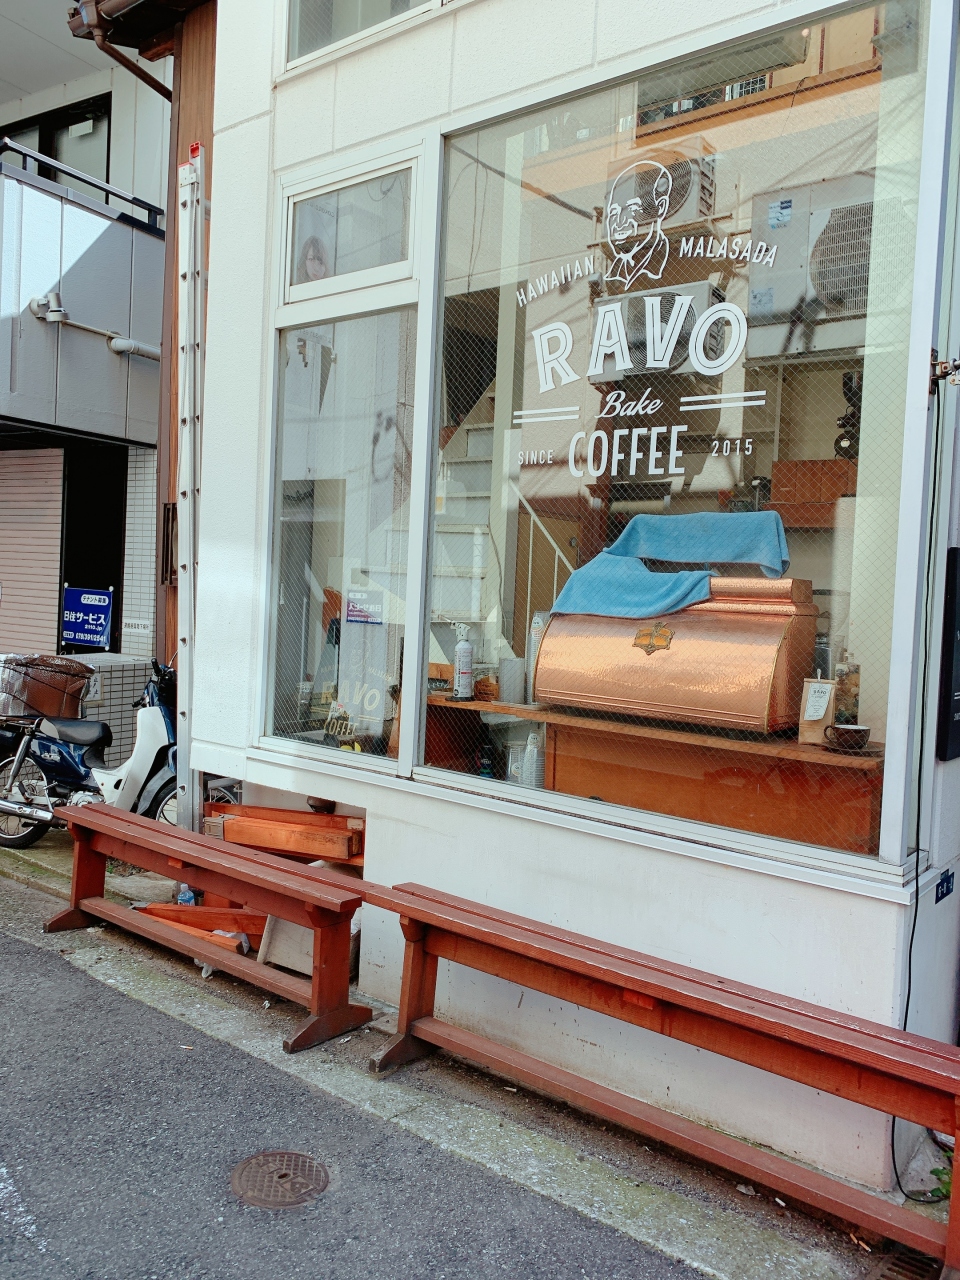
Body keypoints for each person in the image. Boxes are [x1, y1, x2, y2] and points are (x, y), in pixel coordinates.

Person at [604, 159, 673, 288]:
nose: (619, 222)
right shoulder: (612, 276)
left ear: (661, 207)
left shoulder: (670, 266)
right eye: (614, 213)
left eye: (632, 209)